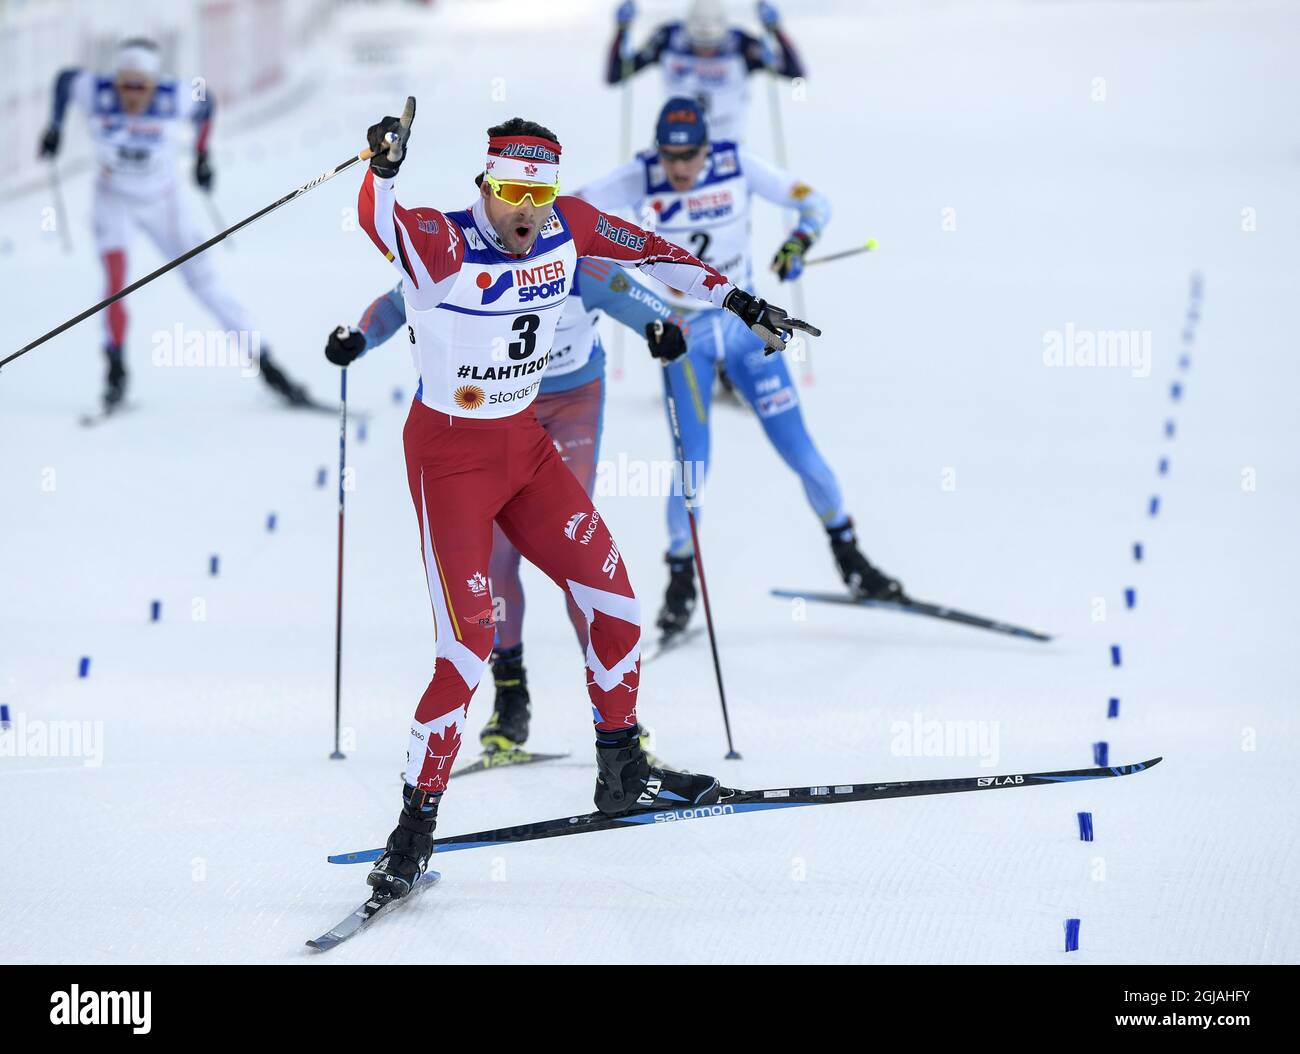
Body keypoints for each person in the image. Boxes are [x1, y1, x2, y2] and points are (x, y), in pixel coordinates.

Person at [342, 109, 814, 899]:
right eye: (512, 189)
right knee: (466, 649)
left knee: (616, 605)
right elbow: (378, 220)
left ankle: (621, 765)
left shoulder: (569, 225)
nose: (528, 208)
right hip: (451, 460)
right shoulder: (442, 241)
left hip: (523, 448)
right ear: (485, 186)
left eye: (541, 189)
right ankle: (414, 827)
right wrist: (383, 170)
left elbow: (658, 254)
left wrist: (740, 303)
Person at [326, 257, 693, 755]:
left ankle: (618, 719)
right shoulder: (461, 257)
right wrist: (359, 338)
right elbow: (396, 302)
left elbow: (650, 306)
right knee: (497, 557)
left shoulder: (573, 262)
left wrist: (662, 331)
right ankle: (511, 692)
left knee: (578, 558)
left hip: (571, 403)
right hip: (490, 412)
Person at [579, 97, 906, 642]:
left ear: (708, 147)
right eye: (669, 156)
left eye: (689, 156)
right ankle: (681, 581)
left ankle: (851, 558)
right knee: (691, 464)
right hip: (684, 335)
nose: (678, 169)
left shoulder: (736, 163)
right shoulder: (641, 174)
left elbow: (814, 203)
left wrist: (799, 242)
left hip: (745, 328)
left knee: (800, 451)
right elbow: (567, 210)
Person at [38, 38, 312, 412]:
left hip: (165, 203)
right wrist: (53, 127)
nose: (132, 95)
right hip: (113, 199)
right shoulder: (96, 92)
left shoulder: (175, 96)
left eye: (141, 86)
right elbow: (65, 80)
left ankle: (268, 367)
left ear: (155, 83)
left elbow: (207, 104)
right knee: (115, 286)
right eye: (125, 84)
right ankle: (116, 372)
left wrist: (202, 157)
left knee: (205, 284)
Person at [605, 0, 804, 144]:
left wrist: (777, 31)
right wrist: (621, 31)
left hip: (727, 145)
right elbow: (615, 75)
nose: (705, 52)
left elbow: (797, 77)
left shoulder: (740, 44)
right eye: (698, 44)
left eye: (711, 45)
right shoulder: (667, 39)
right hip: (676, 144)